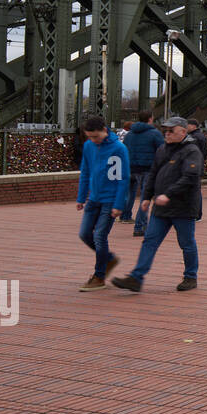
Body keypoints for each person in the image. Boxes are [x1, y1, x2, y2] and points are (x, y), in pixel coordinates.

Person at [113, 116, 202, 292]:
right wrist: (146, 197)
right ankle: (136, 278)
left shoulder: (192, 151)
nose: (167, 134)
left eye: (171, 131)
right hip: (161, 206)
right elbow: (153, 173)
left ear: (183, 132)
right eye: (165, 131)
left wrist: (168, 194)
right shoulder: (162, 149)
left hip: (183, 207)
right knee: (150, 240)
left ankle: (190, 277)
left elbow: (190, 177)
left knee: (186, 243)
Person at [75, 115, 130, 292]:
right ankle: (108, 258)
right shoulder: (89, 146)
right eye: (89, 137)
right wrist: (81, 197)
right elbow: (85, 172)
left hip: (110, 200)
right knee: (84, 234)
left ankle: (99, 276)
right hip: (94, 198)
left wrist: (119, 204)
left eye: (96, 136)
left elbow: (123, 178)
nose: (93, 140)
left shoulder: (119, 148)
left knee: (99, 236)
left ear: (105, 131)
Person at [123, 111, 165, 235]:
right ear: (150, 119)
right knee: (145, 198)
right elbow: (163, 150)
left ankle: (125, 215)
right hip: (147, 168)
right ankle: (140, 226)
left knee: (130, 194)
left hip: (131, 168)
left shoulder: (129, 134)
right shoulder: (154, 133)